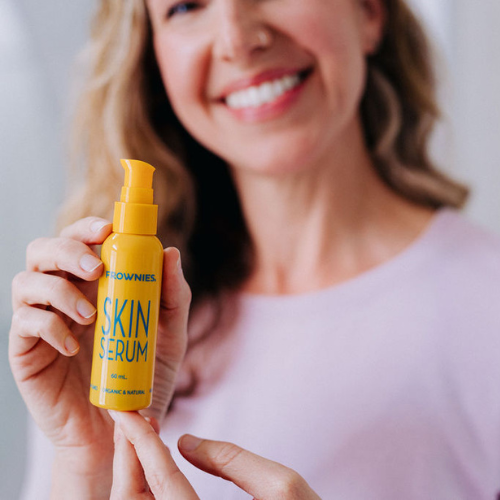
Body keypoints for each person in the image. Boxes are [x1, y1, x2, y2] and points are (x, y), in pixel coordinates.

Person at [9, 0, 500, 498]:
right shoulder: (113, 322)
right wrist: (87, 462)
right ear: (153, 59)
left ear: (370, 12)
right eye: (185, 6)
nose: (236, 39)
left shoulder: (486, 306)